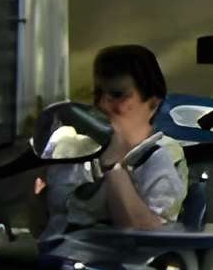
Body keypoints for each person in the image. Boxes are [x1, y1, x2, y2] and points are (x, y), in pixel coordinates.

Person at [53, 44, 189, 239]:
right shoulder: (81, 151)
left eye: (117, 95)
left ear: (152, 103)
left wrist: (114, 168)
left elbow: (147, 234)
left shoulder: (160, 156)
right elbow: (46, 223)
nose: (102, 104)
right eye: (98, 94)